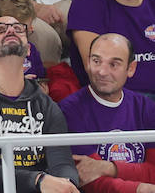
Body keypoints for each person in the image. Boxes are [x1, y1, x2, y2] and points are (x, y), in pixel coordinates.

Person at [0, 11, 82, 193]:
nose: (10, 31)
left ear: (29, 49)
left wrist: (66, 184)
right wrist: (38, 181)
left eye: (18, 29)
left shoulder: (46, 105)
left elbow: (62, 161)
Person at [60, 32, 155, 191]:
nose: (102, 72)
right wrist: (141, 189)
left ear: (130, 68)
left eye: (114, 64)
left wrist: (109, 167)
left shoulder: (146, 107)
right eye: (96, 61)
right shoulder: (69, 110)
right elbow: (89, 178)